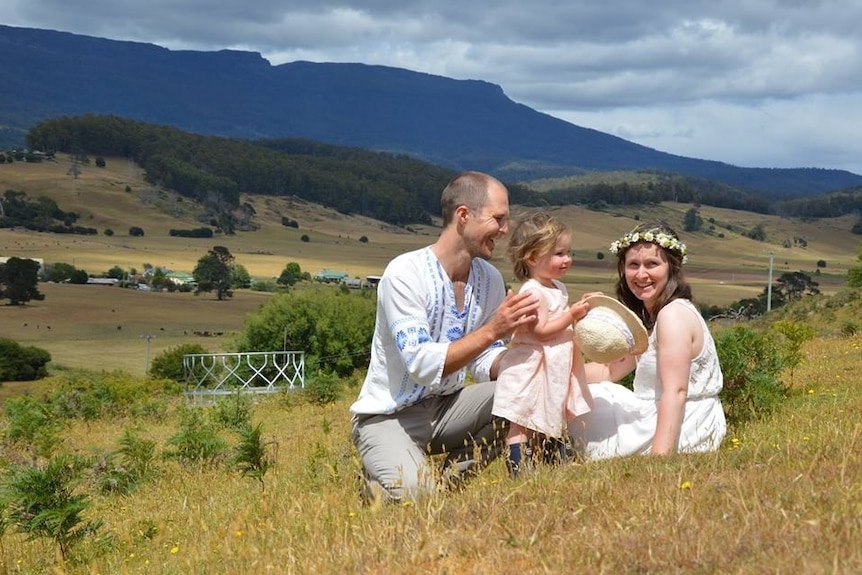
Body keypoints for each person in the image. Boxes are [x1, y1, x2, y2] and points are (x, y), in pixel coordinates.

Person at [350, 171, 541, 503]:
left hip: (448, 407)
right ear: (464, 216)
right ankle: (388, 477)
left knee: (520, 394)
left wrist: (527, 350)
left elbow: (484, 358)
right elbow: (422, 365)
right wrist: (495, 328)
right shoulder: (405, 273)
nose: (505, 229)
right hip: (388, 416)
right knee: (417, 495)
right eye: (498, 219)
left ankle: (446, 488)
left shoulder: (489, 278)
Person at [567, 221, 726, 459]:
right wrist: (555, 377)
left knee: (592, 406)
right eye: (633, 265)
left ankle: (557, 450)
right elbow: (609, 371)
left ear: (672, 268)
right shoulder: (649, 318)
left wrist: (660, 457)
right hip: (656, 410)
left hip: (688, 421)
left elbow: (676, 391)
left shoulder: (673, 314)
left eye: (652, 264)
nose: (641, 275)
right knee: (593, 392)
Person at [492, 213, 592, 476]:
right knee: (523, 418)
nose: (567, 259)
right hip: (532, 367)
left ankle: (551, 457)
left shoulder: (556, 286)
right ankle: (519, 467)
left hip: (552, 365)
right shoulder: (533, 291)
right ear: (533, 258)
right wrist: (571, 315)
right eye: (558, 253)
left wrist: (575, 311)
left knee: (549, 411)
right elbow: (542, 331)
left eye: (568, 252)